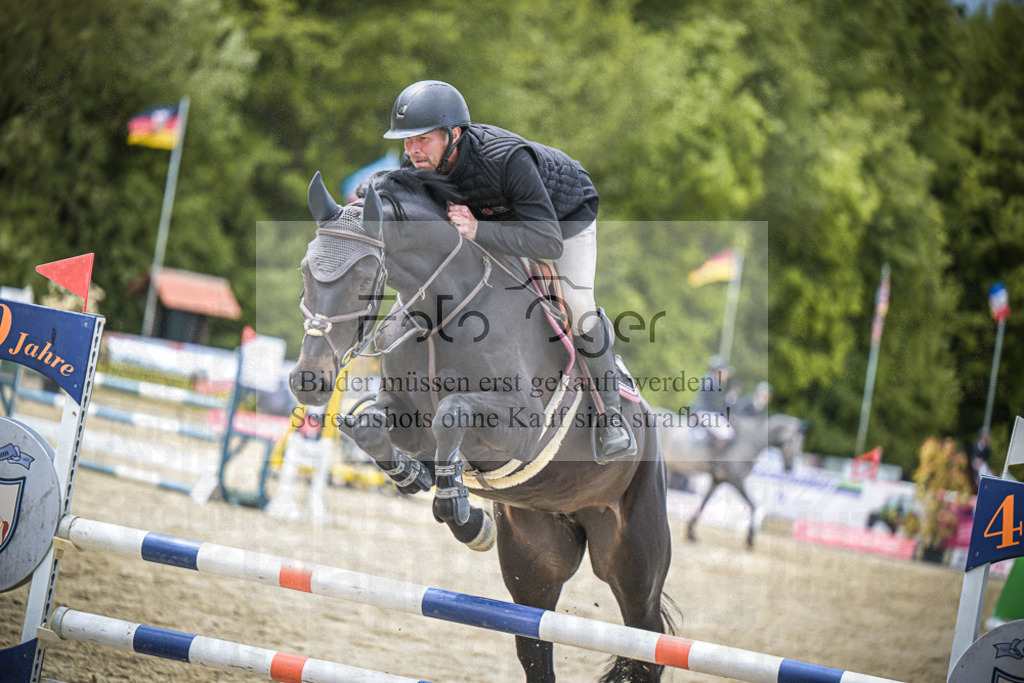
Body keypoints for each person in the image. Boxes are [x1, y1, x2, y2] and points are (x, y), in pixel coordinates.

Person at [381, 79, 634, 463]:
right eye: (407, 140)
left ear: (454, 134)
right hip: (493, 216)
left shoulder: (507, 158)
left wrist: (479, 230)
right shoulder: (417, 164)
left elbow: (548, 243)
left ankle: (610, 416)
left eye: (422, 138)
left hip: (561, 220)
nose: (413, 149)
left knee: (578, 304)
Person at [690, 355, 737, 452]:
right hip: (706, 413)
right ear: (719, 371)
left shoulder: (710, 379)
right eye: (726, 371)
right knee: (728, 433)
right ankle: (716, 458)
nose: (727, 374)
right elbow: (715, 405)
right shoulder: (713, 383)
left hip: (704, 412)